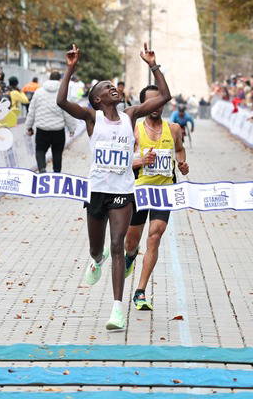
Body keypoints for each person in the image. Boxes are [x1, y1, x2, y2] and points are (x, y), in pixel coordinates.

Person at [56, 42, 170, 331]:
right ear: (96, 99)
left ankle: (117, 309)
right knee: (98, 249)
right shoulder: (92, 118)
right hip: (96, 192)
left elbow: (165, 96)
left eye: (113, 86)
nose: (113, 89)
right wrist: (70, 70)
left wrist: (152, 65)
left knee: (117, 245)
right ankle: (96, 260)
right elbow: (61, 102)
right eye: (106, 88)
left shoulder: (130, 115)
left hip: (122, 192)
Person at [123, 85, 189, 310]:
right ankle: (130, 256)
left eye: (159, 102)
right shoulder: (133, 129)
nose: (155, 107)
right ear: (143, 105)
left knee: (155, 236)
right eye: (150, 102)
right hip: (139, 190)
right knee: (131, 241)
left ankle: (140, 291)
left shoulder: (174, 129)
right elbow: (121, 161)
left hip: (164, 191)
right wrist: (139, 161)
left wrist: (181, 163)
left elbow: (179, 149)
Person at [26, 71, 73, 173]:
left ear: (49, 78)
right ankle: (56, 174)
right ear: (59, 80)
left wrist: (29, 127)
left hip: (42, 129)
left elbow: (32, 111)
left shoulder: (38, 92)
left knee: (40, 150)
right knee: (57, 153)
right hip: (58, 130)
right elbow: (67, 112)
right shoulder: (63, 92)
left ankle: (42, 170)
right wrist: (72, 128)